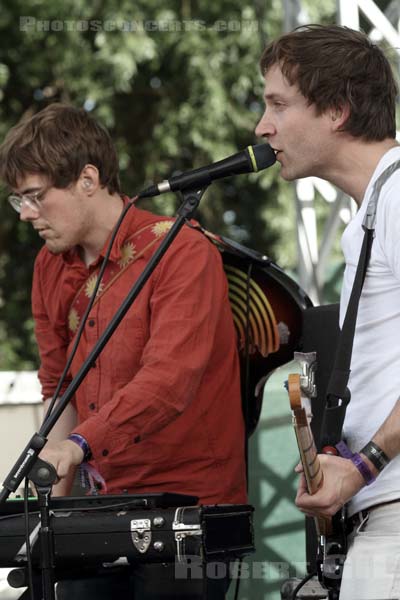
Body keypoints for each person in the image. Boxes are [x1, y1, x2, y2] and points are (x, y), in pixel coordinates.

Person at [0, 103, 248, 599]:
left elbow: (169, 381)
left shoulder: (182, 251)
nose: (26, 214)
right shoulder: (50, 268)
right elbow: (58, 389)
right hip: (101, 507)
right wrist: (48, 510)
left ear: (88, 179)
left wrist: (77, 446)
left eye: (34, 196)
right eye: (16, 200)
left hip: (191, 510)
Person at [255, 24, 400, 600]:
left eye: (277, 104)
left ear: (337, 110)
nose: (262, 128)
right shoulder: (370, 212)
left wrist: (364, 464)